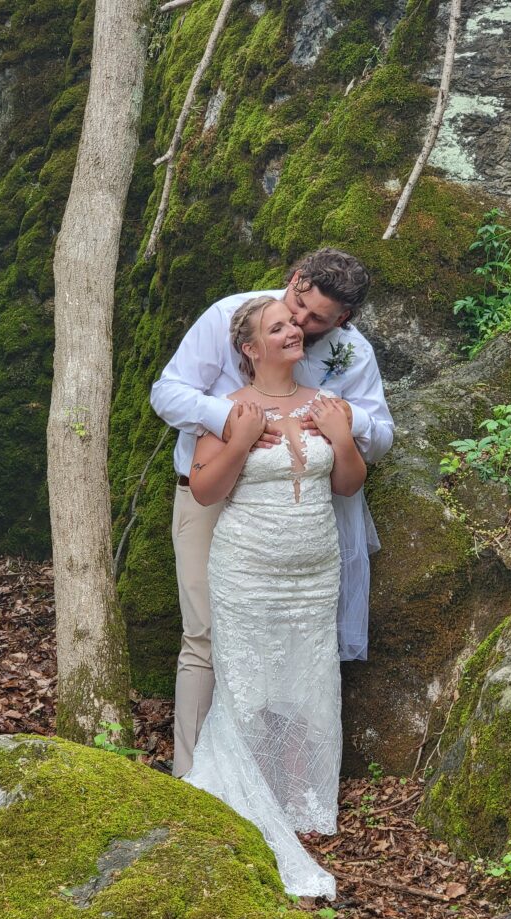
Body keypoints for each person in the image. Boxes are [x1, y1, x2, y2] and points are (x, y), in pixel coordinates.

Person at [150, 249, 394, 778]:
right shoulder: (229, 317)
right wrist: (234, 422)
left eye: (316, 320)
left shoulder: (353, 353)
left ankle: (277, 780)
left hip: (303, 515)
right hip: (216, 498)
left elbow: (381, 435)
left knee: (293, 645)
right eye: (296, 307)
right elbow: (167, 393)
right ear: (295, 278)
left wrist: (348, 422)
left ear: (344, 319)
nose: (300, 324)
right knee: (206, 634)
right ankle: (192, 776)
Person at [183, 295, 367, 898]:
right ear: (250, 348)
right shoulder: (228, 409)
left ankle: (298, 799)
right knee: (249, 682)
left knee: (308, 678)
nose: (294, 330)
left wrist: (342, 439)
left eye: (294, 325)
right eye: (279, 326)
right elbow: (205, 491)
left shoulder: (328, 405)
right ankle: (245, 796)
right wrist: (240, 441)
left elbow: (348, 484)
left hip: (314, 570)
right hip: (247, 568)